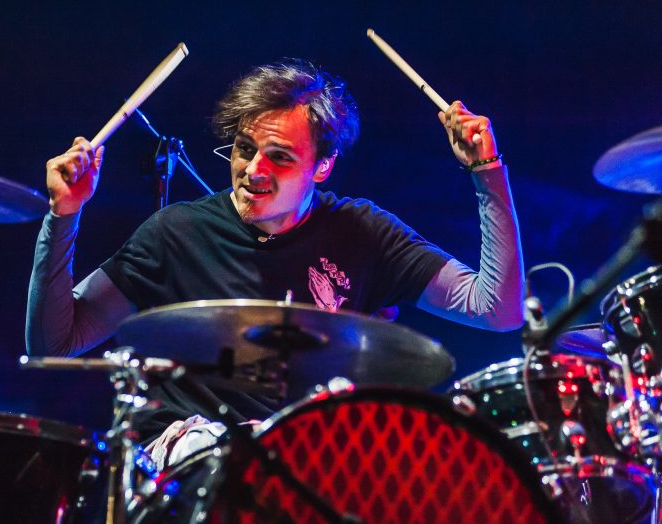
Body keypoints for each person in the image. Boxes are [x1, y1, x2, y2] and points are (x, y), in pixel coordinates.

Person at [26, 60, 523, 469]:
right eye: (244, 149)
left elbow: (496, 310)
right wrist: (63, 216)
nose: (253, 170)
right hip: (189, 467)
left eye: (280, 157)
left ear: (322, 166)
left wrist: (487, 172)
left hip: (308, 462)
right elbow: (55, 343)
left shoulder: (363, 232)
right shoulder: (175, 233)